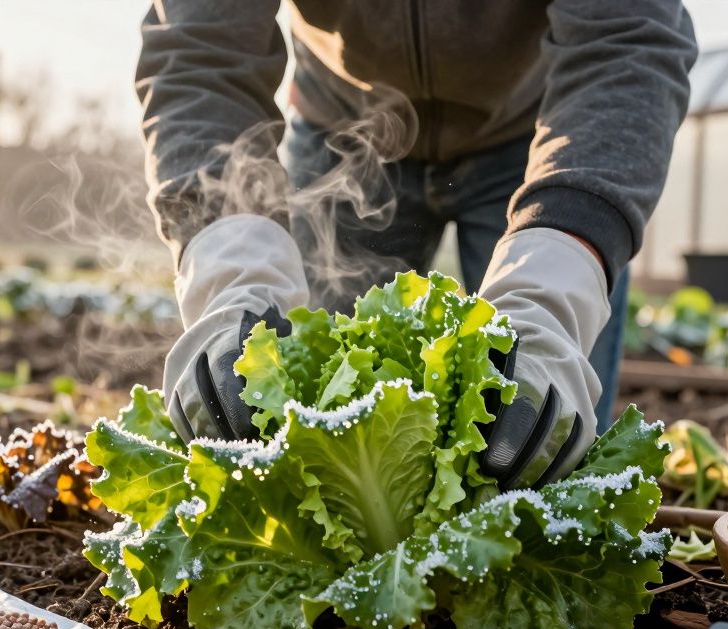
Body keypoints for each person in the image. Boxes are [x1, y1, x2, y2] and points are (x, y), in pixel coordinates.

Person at [138, 1, 696, 490]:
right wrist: (228, 262)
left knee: (542, 444)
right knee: (306, 446)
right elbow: (198, 51)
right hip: (346, 137)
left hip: (542, 142)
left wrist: (557, 282)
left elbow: (627, 40)